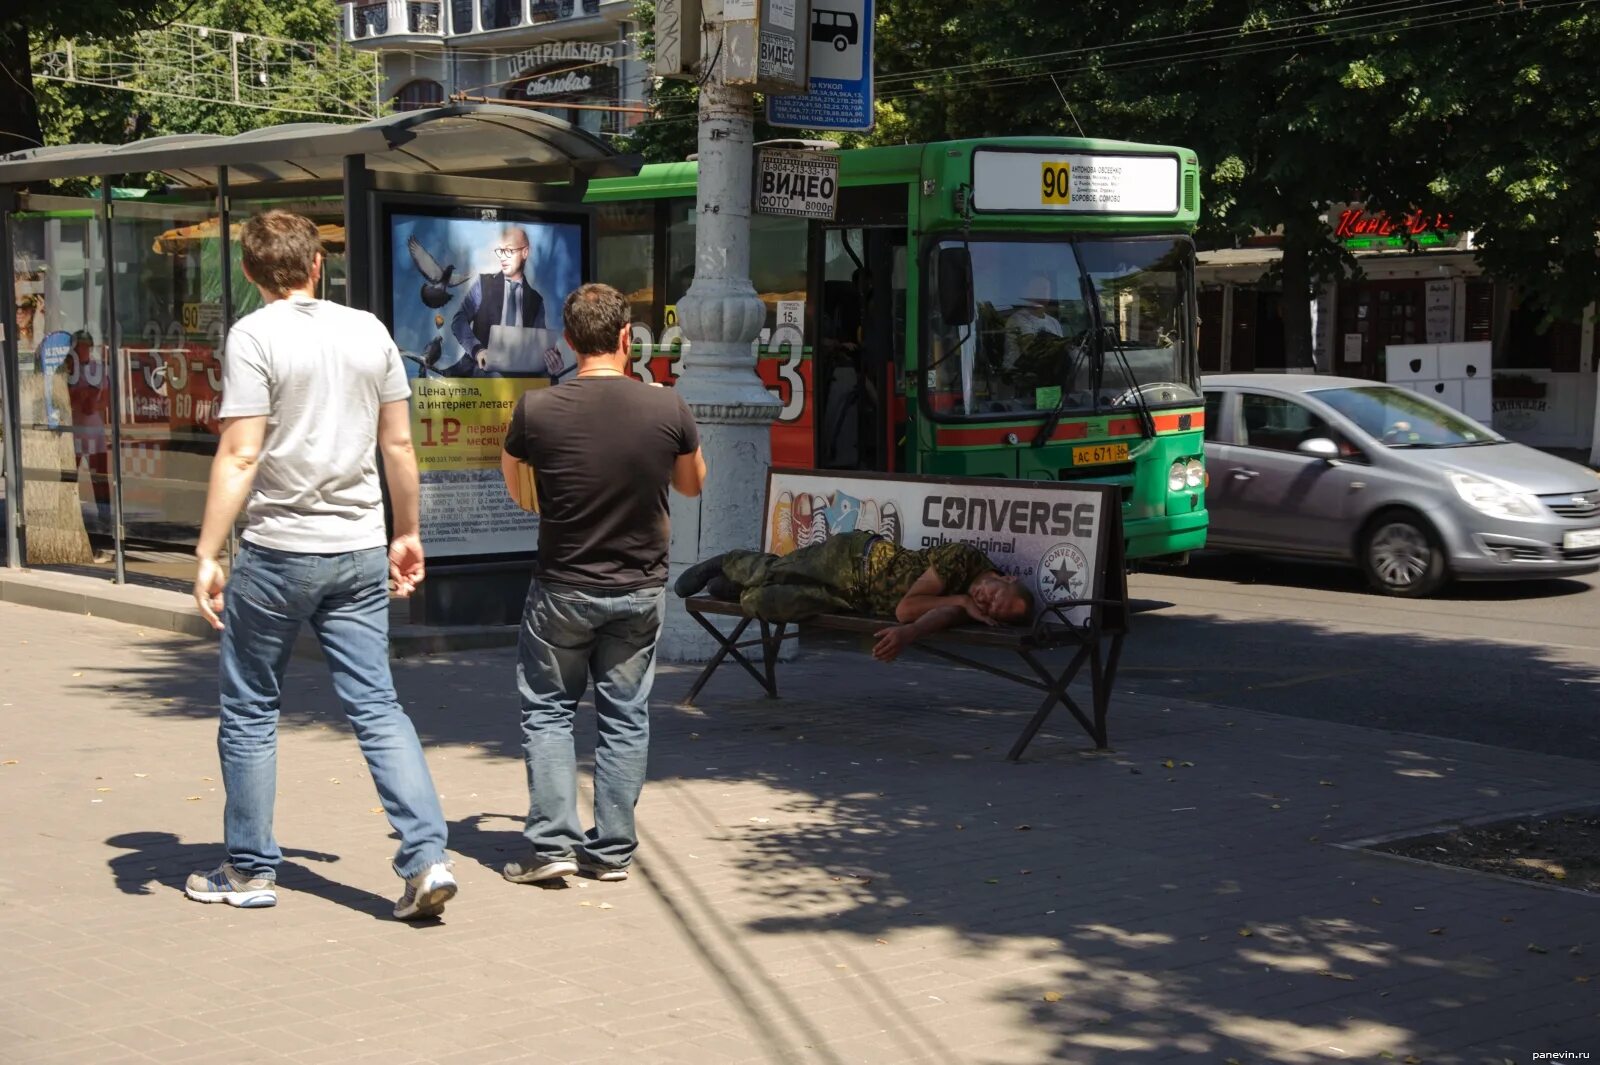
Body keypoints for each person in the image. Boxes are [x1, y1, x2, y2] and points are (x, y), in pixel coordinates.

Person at [186, 210, 456, 920]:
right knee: (376, 704)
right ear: (316, 266)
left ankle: (247, 868)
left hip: (278, 553)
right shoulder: (368, 330)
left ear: (249, 274)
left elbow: (242, 453)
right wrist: (409, 532)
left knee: (249, 709)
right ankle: (426, 857)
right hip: (361, 547)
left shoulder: (252, 336)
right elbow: (398, 447)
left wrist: (209, 551)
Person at [499, 282, 705, 886]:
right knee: (624, 717)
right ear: (626, 339)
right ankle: (612, 850)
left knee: (547, 711)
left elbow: (519, 492)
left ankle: (552, 846)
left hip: (562, 585)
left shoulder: (535, 410)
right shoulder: (668, 408)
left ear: (567, 341)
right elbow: (693, 485)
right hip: (639, 589)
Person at [674, 531, 1035, 662]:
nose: (985, 602)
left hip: (852, 601)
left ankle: (735, 588)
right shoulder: (965, 559)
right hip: (855, 561)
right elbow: (907, 608)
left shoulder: (969, 606)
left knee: (768, 603)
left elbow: (925, 617)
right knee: (777, 570)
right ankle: (726, 562)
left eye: (993, 611)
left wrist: (958, 607)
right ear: (1006, 576)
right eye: (994, 595)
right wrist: (959, 602)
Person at [450, 225, 548, 374]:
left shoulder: (536, 300)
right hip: (482, 373)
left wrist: (550, 359)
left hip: (519, 377)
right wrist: (478, 350)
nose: (503, 257)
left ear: (525, 252)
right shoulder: (484, 284)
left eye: (509, 251)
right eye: (501, 251)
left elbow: (539, 347)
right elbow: (459, 321)